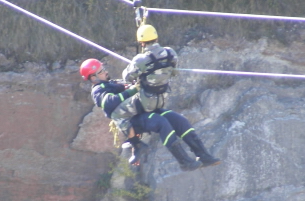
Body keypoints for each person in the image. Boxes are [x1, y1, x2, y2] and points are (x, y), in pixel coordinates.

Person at [80, 57, 221, 171]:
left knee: (179, 120)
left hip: (143, 109)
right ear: (93, 77)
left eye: (103, 69)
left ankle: (203, 155)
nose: (105, 71)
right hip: (133, 120)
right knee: (161, 123)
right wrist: (133, 90)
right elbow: (110, 102)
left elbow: (128, 86)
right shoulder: (98, 91)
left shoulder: (113, 83)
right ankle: (184, 162)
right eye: (101, 71)